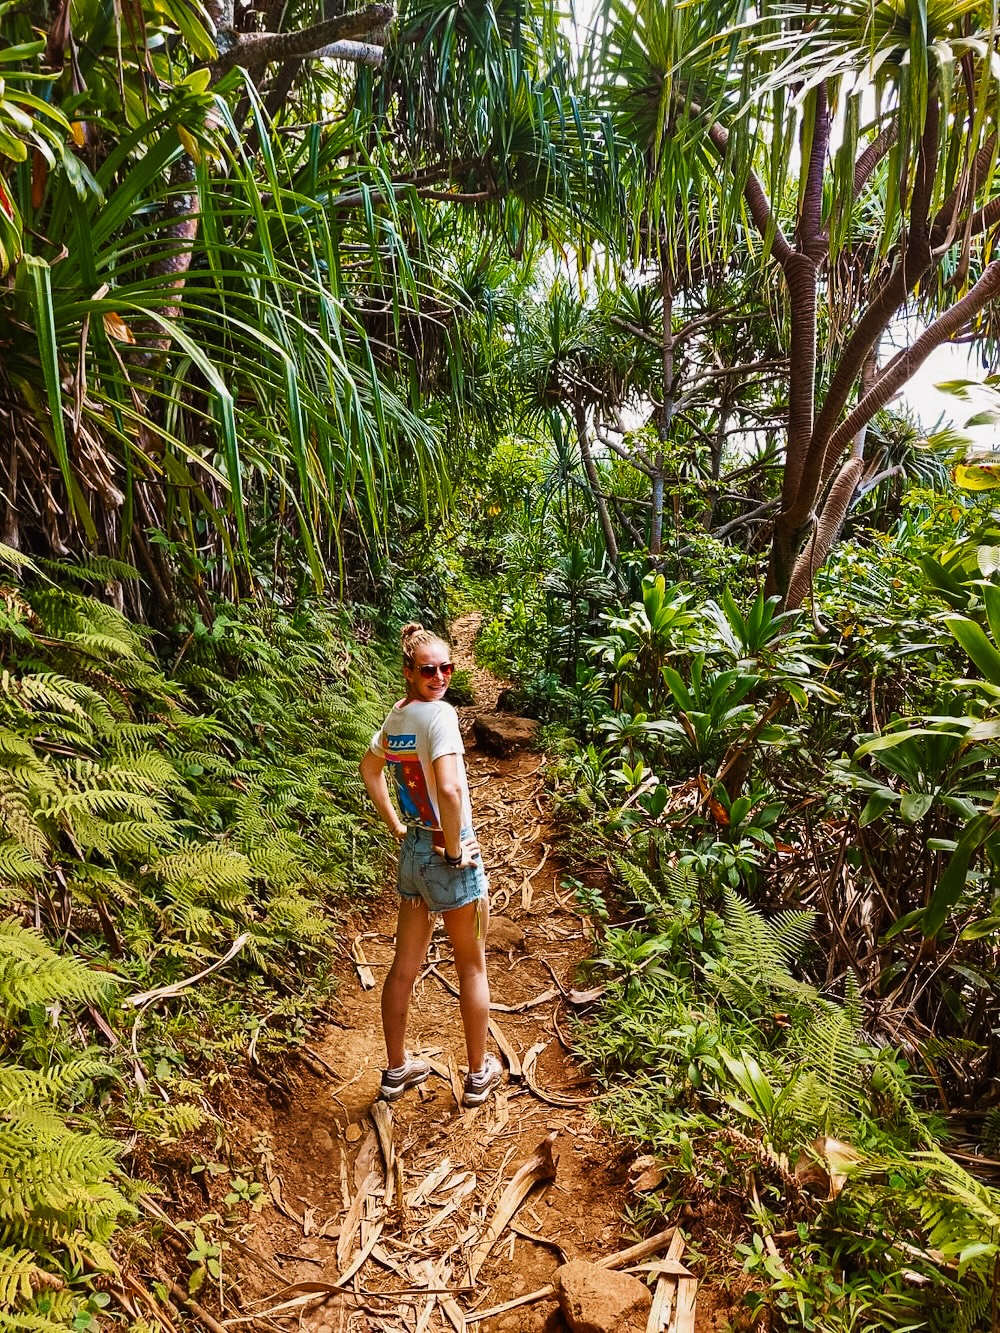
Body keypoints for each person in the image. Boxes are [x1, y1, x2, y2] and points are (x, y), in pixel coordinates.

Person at [359, 622, 502, 1108]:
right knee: (472, 967)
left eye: (446, 667)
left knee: (403, 968)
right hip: (446, 850)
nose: (439, 676)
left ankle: (395, 1071)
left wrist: (396, 825)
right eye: (428, 669)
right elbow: (450, 789)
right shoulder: (440, 716)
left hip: (414, 850)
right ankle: (479, 1075)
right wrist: (458, 851)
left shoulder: (396, 718)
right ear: (409, 671)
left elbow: (369, 769)